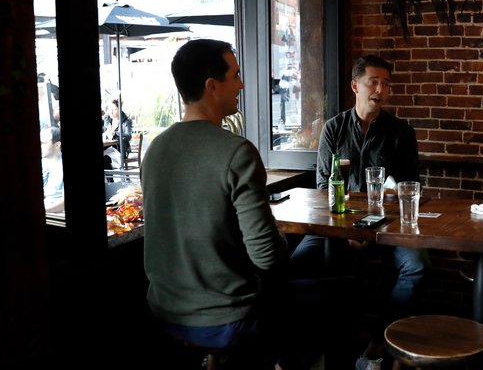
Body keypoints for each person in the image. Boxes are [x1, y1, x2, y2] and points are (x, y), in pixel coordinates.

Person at [141, 39, 290, 369]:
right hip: (226, 319)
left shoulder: (155, 150)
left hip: (164, 313)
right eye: (235, 75)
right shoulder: (237, 152)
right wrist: (281, 236)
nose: (241, 84)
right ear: (212, 86)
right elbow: (266, 256)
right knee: (336, 298)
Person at [290, 54, 431, 370]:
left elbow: (411, 188)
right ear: (356, 86)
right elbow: (323, 188)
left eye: (386, 83)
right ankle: (309, 348)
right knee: (295, 264)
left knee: (418, 266)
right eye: (374, 81)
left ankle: (382, 339)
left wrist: (376, 223)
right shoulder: (333, 129)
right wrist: (352, 231)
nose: (381, 89)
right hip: (337, 225)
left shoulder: (401, 132)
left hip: (388, 226)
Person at [40, 126, 64, 213]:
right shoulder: (41, 163)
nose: (40, 146)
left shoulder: (62, 167)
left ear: (57, 145)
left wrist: (42, 211)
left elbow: (64, 203)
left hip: (56, 214)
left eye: (44, 143)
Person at [102, 98, 133, 166]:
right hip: (108, 147)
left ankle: (110, 175)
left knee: (106, 158)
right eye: (111, 109)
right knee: (105, 157)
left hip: (120, 149)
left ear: (119, 109)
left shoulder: (126, 121)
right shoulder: (107, 120)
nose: (112, 112)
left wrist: (116, 133)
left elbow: (128, 136)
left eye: (114, 109)